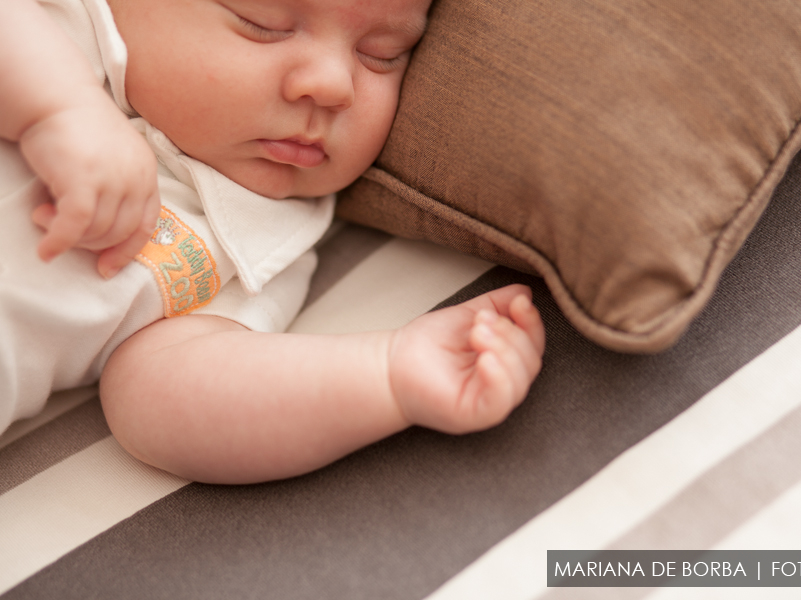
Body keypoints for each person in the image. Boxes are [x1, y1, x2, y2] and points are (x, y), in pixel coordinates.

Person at [0, 0, 545, 484]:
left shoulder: (264, 239)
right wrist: (60, 110)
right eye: (263, 24)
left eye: (382, 54)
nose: (334, 85)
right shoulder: (66, 29)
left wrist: (387, 375)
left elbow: (161, 402)